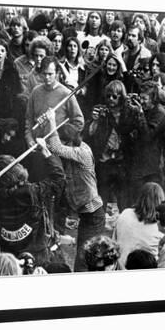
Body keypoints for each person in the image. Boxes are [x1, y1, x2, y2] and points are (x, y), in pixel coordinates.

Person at [0, 138, 68, 266]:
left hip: (10, 257)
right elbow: (59, 180)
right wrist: (45, 151)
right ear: (16, 171)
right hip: (37, 255)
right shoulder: (33, 191)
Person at [44, 113, 105, 272]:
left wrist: (51, 120)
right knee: (85, 257)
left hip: (94, 215)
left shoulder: (83, 152)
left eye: (65, 142)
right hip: (86, 214)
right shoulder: (74, 150)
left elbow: (55, 147)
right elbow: (54, 147)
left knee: (83, 260)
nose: (63, 146)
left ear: (70, 141)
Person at [85, 80, 144, 211]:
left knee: (124, 199)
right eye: (108, 96)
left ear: (121, 97)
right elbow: (89, 134)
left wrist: (140, 113)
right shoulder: (101, 110)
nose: (111, 99)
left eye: (114, 96)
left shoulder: (130, 112)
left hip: (122, 161)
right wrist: (94, 120)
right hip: (104, 160)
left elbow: (139, 133)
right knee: (102, 197)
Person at [25, 56, 85, 150]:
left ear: (57, 73)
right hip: (37, 145)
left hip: (57, 148)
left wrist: (60, 138)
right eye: (44, 74)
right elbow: (29, 120)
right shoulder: (35, 92)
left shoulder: (66, 94)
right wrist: (29, 139)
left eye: (50, 74)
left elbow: (79, 123)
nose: (47, 77)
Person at [129, 81, 165, 202]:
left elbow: (147, 137)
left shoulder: (160, 114)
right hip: (137, 163)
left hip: (151, 168)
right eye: (140, 98)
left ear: (153, 98)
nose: (141, 101)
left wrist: (140, 114)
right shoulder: (143, 109)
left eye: (144, 98)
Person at [112, 182, 165, 269]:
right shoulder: (160, 228)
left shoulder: (125, 213)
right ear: (160, 201)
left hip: (120, 268)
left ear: (140, 197)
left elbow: (114, 243)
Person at [122, 25, 152, 94]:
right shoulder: (124, 52)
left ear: (140, 40)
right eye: (129, 35)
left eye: (133, 36)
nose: (130, 38)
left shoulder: (145, 55)